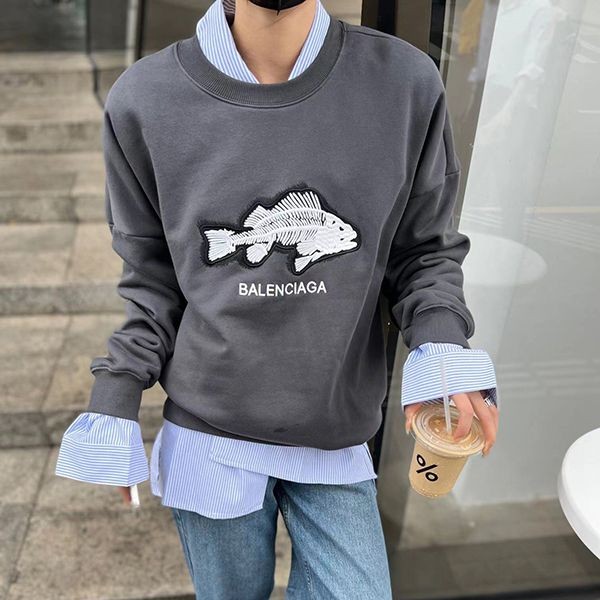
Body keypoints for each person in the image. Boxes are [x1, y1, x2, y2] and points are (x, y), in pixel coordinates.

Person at [55, 0, 500, 598]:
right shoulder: (145, 98)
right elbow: (152, 283)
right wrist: (116, 395)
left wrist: (443, 351)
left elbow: (424, 252)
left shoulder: (404, 82)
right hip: (209, 434)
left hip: (338, 428)